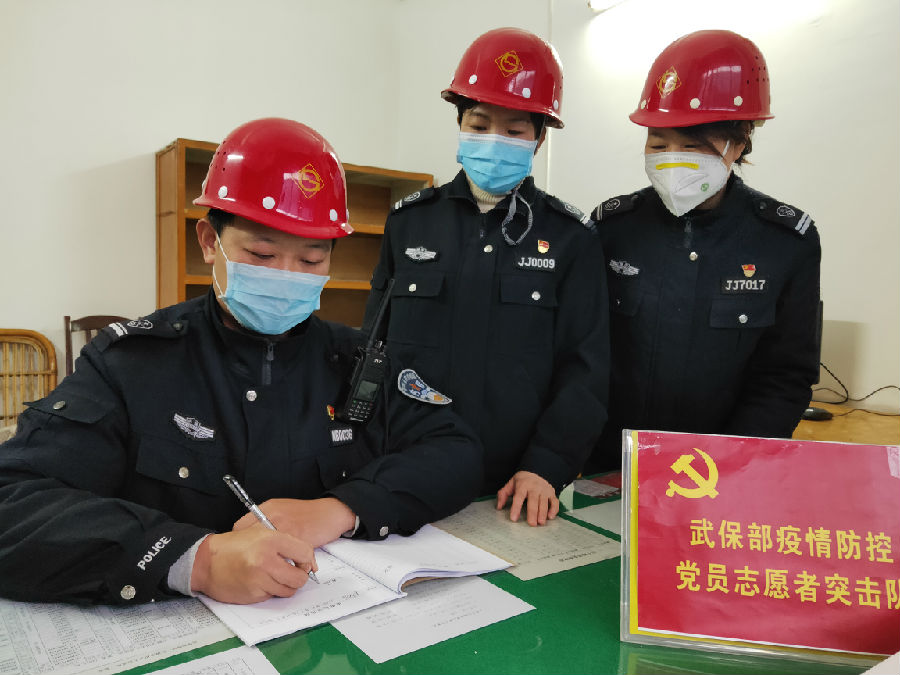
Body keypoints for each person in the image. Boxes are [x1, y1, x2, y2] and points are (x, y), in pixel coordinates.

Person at [0, 118, 483, 606]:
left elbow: (455, 449)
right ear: (210, 241)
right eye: (262, 254)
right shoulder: (132, 363)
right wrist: (195, 560)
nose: (287, 276)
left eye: (311, 261)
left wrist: (343, 508)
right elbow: (12, 501)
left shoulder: (354, 361)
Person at [362, 28, 609, 527]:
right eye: (479, 124)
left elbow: (586, 369)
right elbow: (372, 345)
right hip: (405, 464)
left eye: (514, 131)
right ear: (459, 123)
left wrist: (547, 465)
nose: (494, 140)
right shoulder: (410, 221)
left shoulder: (570, 238)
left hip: (514, 484)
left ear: (539, 139)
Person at [584, 30, 821, 472]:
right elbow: (582, 355)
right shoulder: (612, 228)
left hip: (724, 469)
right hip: (611, 462)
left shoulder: (785, 241)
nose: (672, 158)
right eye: (658, 144)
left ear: (740, 141)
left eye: (692, 145)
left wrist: (729, 463)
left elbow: (785, 375)